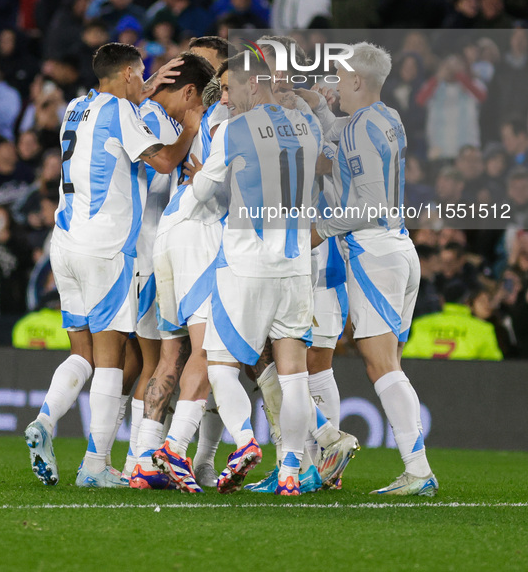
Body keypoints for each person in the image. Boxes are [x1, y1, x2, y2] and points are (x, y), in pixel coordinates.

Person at [174, 53, 358, 495]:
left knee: (219, 362)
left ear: (252, 86)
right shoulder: (308, 126)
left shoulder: (234, 130)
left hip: (248, 264)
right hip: (296, 267)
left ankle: (244, 442)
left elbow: (202, 191)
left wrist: (202, 182)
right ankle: (293, 471)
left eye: (232, 88)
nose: (228, 97)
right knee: (294, 373)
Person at [23, 43, 203, 488]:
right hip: (104, 247)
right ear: (126, 74)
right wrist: (190, 129)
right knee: (110, 362)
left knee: (82, 355)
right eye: (141, 75)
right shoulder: (122, 109)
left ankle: (46, 419)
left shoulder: (74, 107)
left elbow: (112, 128)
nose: (145, 81)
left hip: (63, 242)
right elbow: (163, 160)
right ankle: (96, 465)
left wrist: (144, 96)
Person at [313, 42, 439, 497]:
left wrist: (321, 229)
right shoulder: (387, 118)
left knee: (381, 366)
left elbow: (368, 204)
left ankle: (418, 469)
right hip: (401, 250)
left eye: (340, 77)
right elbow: (344, 143)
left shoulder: (359, 129)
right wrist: (316, 105)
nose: (335, 84)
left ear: (357, 82)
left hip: (372, 251)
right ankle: (415, 467)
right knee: (391, 364)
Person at [123, 52, 215, 485]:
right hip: (200, 248)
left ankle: (141, 459)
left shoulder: (171, 124)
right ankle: (179, 453)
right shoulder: (211, 126)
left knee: (167, 358)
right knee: (211, 353)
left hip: (163, 245)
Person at [402, 282, 503, 360]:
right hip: (466, 384)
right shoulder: (483, 329)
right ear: (467, 302)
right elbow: (494, 365)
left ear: (442, 300)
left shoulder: (420, 324)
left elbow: (406, 358)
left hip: (425, 382)